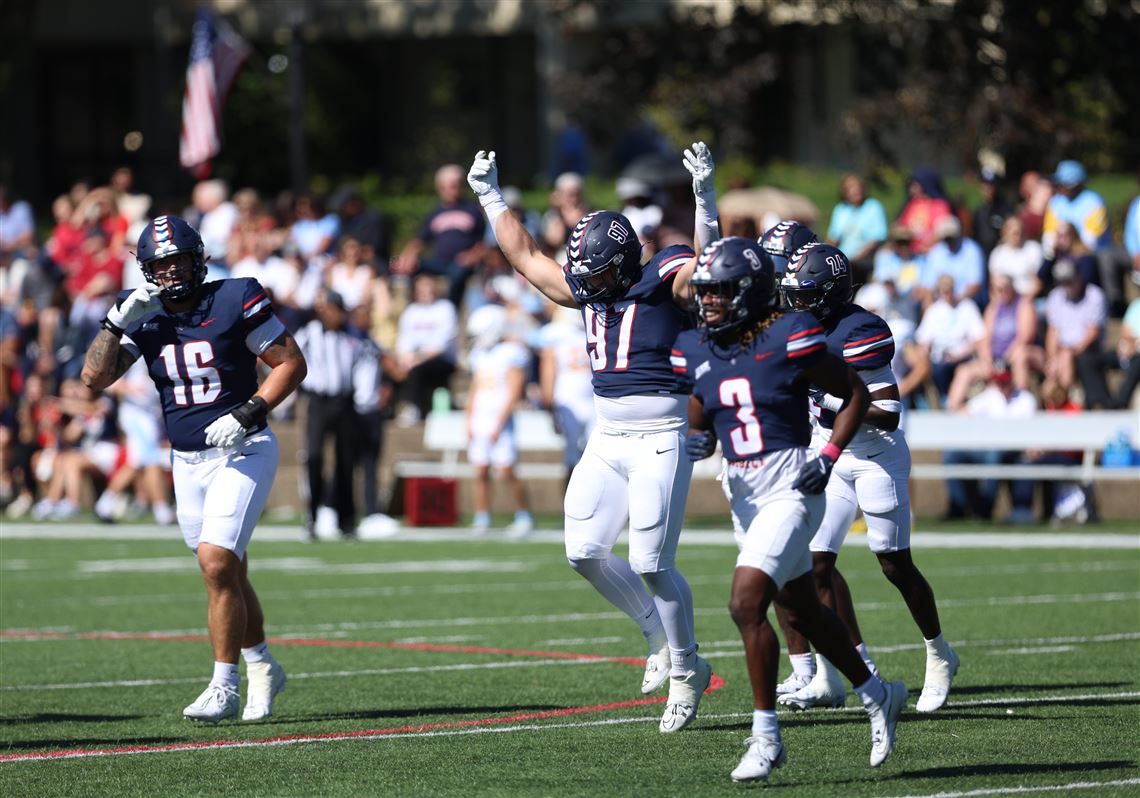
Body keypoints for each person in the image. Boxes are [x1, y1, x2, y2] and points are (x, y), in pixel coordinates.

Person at [466, 143, 719, 734]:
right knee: (582, 551)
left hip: (661, 434)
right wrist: (490, 196)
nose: (589, 284)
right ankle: (657, 637)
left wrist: (705, 198)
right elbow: (527, 257)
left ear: (628, 260)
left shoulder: (665, 275)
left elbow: (705, 272)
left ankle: (688, 669)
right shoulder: (588, 286)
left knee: (652, 561)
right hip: (608, 434)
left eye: (600, 272)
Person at [675, 237, 906, 782]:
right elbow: (701, 400)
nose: (708, 302)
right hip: (744, 492)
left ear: (750, 292)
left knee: (745, 603)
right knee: (801, 611)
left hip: (792, 484)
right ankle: (878, 693)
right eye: (705, 292)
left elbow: (855, 394)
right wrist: (697, 435)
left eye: (720, 292)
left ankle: (766, 736)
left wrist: (828, 455)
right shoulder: (697, 345)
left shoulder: (791, 334)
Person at [80, 214, 306, 723]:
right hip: (186, 462)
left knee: (216, 562)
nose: (172, 272)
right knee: (227, 572)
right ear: (147, 270)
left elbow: (291, 363)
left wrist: (249, 412)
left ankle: (223, 685)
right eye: (161, 264)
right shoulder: (146, 315)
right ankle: (263, 665)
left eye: (179, 259)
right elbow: (94, 378)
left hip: (243, 449)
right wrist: (113, 325)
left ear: (199, 257)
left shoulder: (235, 296)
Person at [770, 242, 958, 715]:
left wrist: (833, 404)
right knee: (811, 563)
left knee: (894, 564)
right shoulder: (801, 325)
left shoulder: (861, 330)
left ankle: (939, 654)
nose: (796, 304)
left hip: (875, 455)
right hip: (827, 452)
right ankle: (850, 671)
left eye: (805, 294)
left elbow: (889, 413)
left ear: (831, 294)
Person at [295, 289, 376, 539]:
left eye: (334, 310)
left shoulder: (354, 336)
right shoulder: (308, 334)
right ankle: (313, 515)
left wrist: (364, 399)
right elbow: (290, 360)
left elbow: (367, 362)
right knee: (315, 457)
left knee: (346, 462)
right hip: (318, 401)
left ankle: (346, 519)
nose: (330, 315)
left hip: (345, 403)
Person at [464, 302, 534, 535]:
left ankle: (524, 514)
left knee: (506, 470)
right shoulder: (479, 355)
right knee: (481, 470)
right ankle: (482, 516)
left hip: (499, 421)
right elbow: (474, 389)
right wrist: (468, 419)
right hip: (481, 418)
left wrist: (499, 422)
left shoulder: (511, 354)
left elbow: (513, 392)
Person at [392, 164, 487, 308]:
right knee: (410, 268)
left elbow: (485, 241)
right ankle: (414, 309)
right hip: (439, 261)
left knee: (457, 274)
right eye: (446, 186)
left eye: (454, 185)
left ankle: (449, 310)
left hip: (463, 263)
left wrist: (472, 256)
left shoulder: (474, 209)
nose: (450, 190)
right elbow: (419, 240)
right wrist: (408, 256)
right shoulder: (435, 213)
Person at [826, 173, 888, 282]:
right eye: (851, 188)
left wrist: (852, 259)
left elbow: (875, 241)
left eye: (858, 187)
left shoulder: (873, 207)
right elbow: (833, 238)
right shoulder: (841, 209)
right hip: (842, 258)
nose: (856, 191)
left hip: (864, 259)